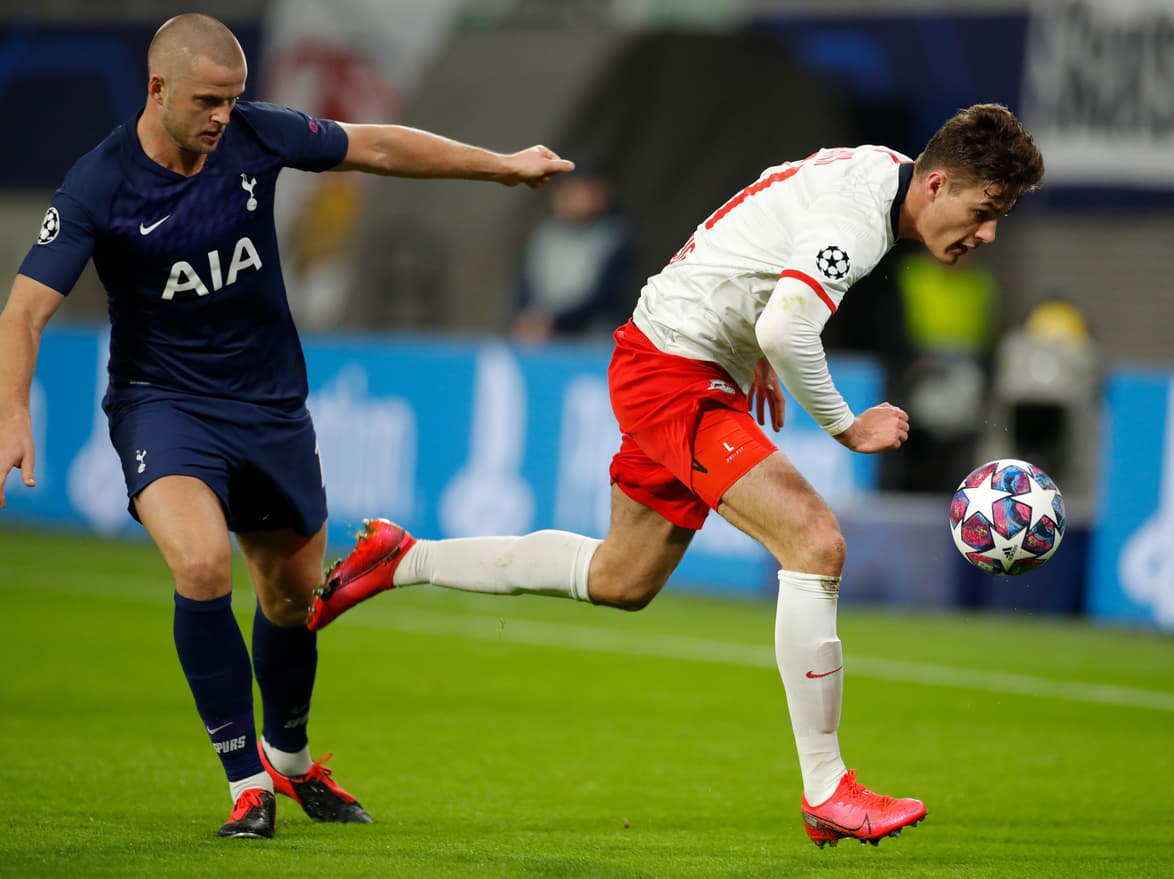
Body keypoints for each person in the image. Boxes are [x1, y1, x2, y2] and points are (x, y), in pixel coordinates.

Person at [309, 103, 1044, 847]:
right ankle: (828, 788)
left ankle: (402, 557)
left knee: (621, 577)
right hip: (675, 372)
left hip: (676, 352)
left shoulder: (878, 171)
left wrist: (748, 338)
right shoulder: (859, 218)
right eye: (984, 211)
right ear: (938, 183)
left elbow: (768, 202)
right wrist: (846, 425)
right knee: (815, 542)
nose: (987, 234)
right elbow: (787, 326)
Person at [0, 13, 571, 840]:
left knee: (291, 598)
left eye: (231, 99)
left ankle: (291, 760)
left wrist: (501, 166)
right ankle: (246, 784)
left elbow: (376, 145)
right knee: (202, 564)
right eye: (206, 101)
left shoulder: (257, 134)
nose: (221, 116)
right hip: (164, 403)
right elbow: (23, 311)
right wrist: (14, 412)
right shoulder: (99, 183)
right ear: (157, 89)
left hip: (269, 406)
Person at [509, 161, 633, 344]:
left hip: (591, 341)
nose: (580, 199)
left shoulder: (614, 238)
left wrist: (555, 321)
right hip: (540, 338)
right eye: (573, 191)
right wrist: (525, 316)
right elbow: (524, 284)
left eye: (588, 192)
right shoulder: (545, 234)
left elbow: (605, 298)